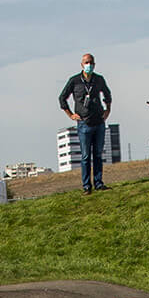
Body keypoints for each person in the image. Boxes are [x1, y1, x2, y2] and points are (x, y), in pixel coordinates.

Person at [58, 53, 113, 193]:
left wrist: (107, 110)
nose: (89, 65)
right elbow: (62, 98)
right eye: (87, 62)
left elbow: (107, 95)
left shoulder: (99, 80)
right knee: (85, 156)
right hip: (83, 124)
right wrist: (70, 115)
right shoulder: (75, 81)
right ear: (82, 64)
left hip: (99, 122)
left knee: (98, 154)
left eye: (91, 62)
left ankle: (99, 183)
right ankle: (86, 186)